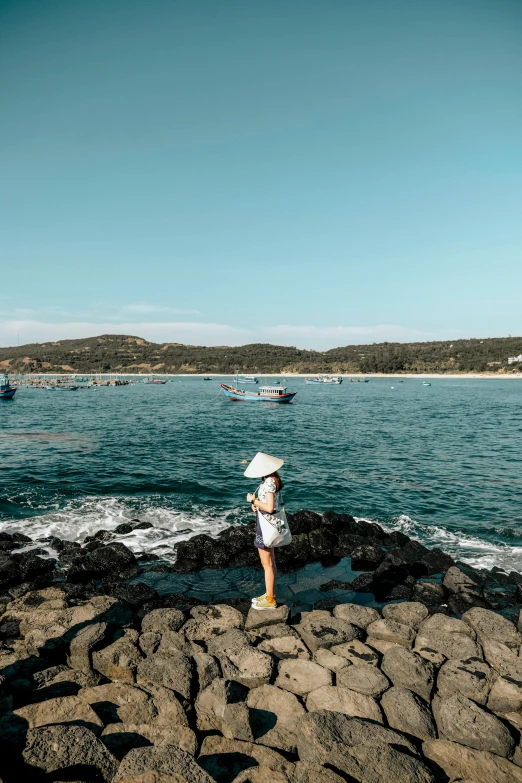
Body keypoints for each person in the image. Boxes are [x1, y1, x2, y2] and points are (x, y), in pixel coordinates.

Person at [244, 451, 285, 610]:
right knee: (271, 562)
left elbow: (269, 507)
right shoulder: (274, 480)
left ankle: (270, 600)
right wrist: (257, 505)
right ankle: (270, 594)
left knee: (267, 564)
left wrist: (253, 500)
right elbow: (269, 505)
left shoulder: (268, 482)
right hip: (269, 523)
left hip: (265, 526)